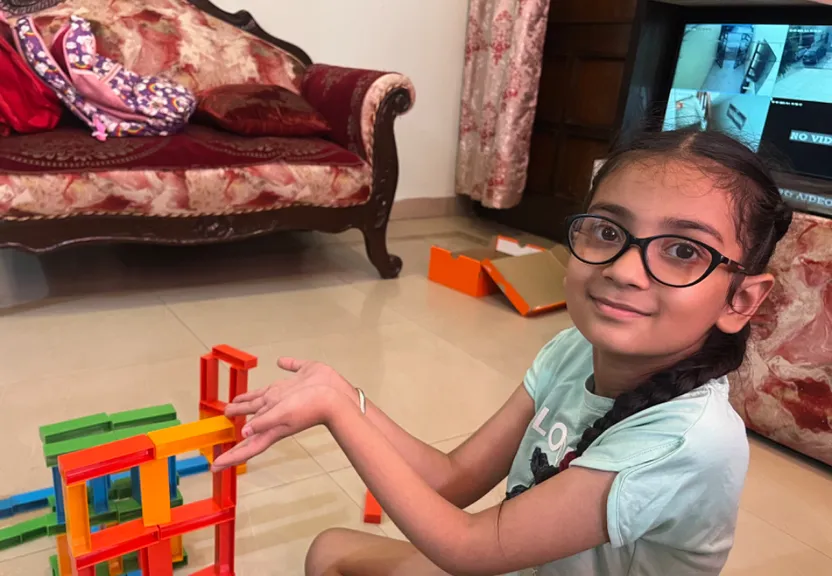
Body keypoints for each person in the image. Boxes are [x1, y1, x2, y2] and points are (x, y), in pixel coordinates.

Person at [212, 128, 793, 576]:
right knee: (330, 551)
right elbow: (453, 479)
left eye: (684, 252)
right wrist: (344, 394)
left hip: (495, 557)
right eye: (609, 232)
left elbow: (471, 545)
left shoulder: (684, 440)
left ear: (741, 298)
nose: (623, 270)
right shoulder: (571, 350)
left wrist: (336, 413)